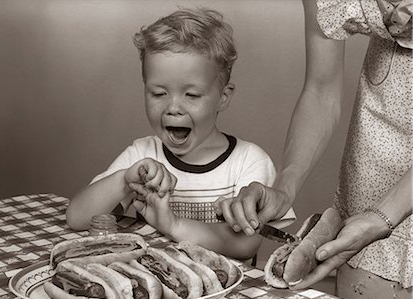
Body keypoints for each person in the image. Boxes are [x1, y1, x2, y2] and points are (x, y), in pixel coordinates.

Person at [216, 0, 412, 299]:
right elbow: (321, 89)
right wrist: (284, 187)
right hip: (366, 209)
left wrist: (385, 214)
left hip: (379, 216)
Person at [66, 7, 295, 260]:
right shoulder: (142, 155)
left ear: (223, 97)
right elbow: (77, 218)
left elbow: (244, 245)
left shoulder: (248, 161)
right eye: (159, 93)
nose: (173, 108)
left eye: (192, 95)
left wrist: (173, 224)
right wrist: (124, 181)